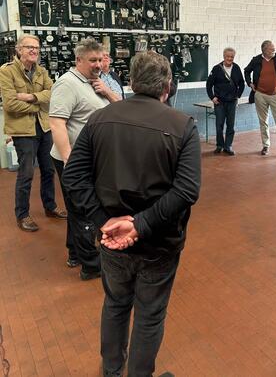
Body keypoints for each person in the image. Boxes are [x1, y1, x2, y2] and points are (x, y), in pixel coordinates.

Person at [62, 51, 201, 377]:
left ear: (132, 82)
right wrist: (140, 225)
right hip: (159, 243)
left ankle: (111, 371)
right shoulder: (183, 126)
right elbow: (186, 191)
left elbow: (73, 176)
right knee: (150, 314)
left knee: (115, 304)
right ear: (167, 86)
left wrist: (104, 222)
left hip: (112, 241)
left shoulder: (99, 119)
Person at [49, 38, 119, 280]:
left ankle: (75, 253)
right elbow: (56, 123)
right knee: (83, 210)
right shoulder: (67, 84)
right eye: (92, 60)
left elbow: (119, 106)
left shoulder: (95, 82)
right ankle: (91, 266)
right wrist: (69, 160)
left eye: (100, 59)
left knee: (77, 208)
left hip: (93, 158)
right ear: (78, 60)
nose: (98, 64)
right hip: (74, 161)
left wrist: (106, 90)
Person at [0, 33, 66, 232]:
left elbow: (52, 93)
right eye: (30, 47)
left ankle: (50, 206)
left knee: (48, 170)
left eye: (36, 48)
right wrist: (39, 104)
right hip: (23, 130)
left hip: (44, 127)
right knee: (26, 173)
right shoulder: (6, 71)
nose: (34, 51)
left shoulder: (41, 71)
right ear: (19, 50)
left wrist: (30, 97)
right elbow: (10, 104)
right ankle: (22, 215)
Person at [244, 40, 276, 156]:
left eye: (274, 48)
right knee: (263, 122)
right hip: (260, 95)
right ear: (264, 50)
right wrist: (250, 83)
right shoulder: (256, 60)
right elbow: (246, 71)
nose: (274, 50)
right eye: (271, 49)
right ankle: (265, 145)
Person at [206, 47, 245, 155]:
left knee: (230, 125)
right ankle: (219, 145)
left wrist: (238, 95)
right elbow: (209, 85)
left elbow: (242, 83)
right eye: (228, 56)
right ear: (224, 56)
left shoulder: (236, 68)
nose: (229, 58)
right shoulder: (216, 69)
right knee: (219, 125)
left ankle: (228, 146)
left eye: (232, 57)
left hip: (232, 101)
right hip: (219, 102)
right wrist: (212, 97)